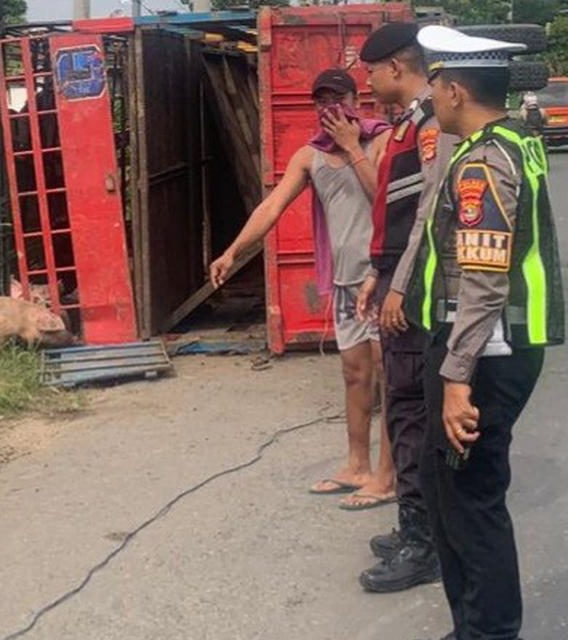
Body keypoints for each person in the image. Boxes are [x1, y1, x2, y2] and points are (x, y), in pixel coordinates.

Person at [404, 25, 564, 640]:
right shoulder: (514, 140)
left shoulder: (484, 163)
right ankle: (472, 625)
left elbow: (483, 282)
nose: (433, 96)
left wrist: (454, 379)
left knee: (470, 502)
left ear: (454, 90)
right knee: (452, 497)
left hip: (483, 350)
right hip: (487, 347)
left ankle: (491, 631)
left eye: (437, 84)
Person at [211, 69, 396, 510]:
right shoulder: (308, 156)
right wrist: (233, 251)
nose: (329, 107)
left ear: (356, 99)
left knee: (389, 376)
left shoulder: (383, 141)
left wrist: (353, 148)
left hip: (385, 277)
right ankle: (357, 465)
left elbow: (386, 199)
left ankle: (388, 476)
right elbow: (272, 206)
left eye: (338, 97)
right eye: (321, 100)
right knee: (355, 373)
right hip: (348, 282)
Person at [352, 21, 458, 594]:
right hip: (396, 277)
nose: (365, 81)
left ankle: (424, 541)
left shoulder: (428, 126)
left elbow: (428, 216)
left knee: (413, 410)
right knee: (402, 407)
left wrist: (401, 284)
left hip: (415, 289)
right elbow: (392, 218)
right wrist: (376, 271)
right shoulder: (401, 129)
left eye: (370, 70)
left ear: (396, 66)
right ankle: (413, 524)